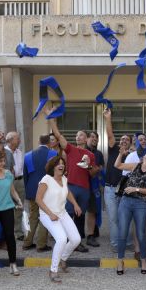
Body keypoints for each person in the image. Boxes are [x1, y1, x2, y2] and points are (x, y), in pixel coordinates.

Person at [47, 108, 99, 253]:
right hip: (70, 187)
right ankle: (65, 241)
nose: (78, 137)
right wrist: (51, 118)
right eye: (76, 135)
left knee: (80, 215)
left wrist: (88, 165)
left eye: (81, 135)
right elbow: (58, 134)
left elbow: (93, 173)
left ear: (87, 138)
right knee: (68, 214)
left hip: (84, 188)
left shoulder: (90, 154)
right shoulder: (70, 149)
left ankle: (78, 242)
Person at [114, 147, 146, 275]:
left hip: (141, 203)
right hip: (126, 202)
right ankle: (120, 261)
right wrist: (120, 154)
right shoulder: (135, 166)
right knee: (122, 232)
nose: (145, 155)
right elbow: (117, 165)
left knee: (141, 234)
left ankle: (143, 260)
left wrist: (136, 189)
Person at [36, 156, 82, 283]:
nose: (61, 165)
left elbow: (67, 193)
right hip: (47, 214)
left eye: (62, 163)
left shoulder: (64, 179)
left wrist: (75, 204)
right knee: (61, 239)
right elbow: (38, 199)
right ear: (52, 166)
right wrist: (50, 214)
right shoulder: (46, 179)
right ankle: (53, 270)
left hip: (62, 213)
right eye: (58, 164)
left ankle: (63, 258)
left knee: (76, 239)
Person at [102, 108, 133, 252]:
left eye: (127, 140)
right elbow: (110, 135)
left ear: (131, 144)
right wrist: (108, 118)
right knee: (114, 218)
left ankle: (126, 242)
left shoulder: (133, 156)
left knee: (125, 218)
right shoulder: (114, 149)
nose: (124, 141)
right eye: (122, 139)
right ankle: (116, 244)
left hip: (125, 191)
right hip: (110, 189)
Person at [23, 134, 55, 252]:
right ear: (49, 143)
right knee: (45, 216)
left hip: (32, 190)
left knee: (33, 216)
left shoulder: (27, 156)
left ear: (38, 141)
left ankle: (27, 242)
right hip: (47, 190)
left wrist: (28, 191)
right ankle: (41, 245)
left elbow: (25, 176)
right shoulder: (53, 154)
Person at [85, 131, 105, 247]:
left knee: (93, 209)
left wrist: (94, 170)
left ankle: (91, 234)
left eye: (96, 138)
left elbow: (101, 167)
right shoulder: (82, 151)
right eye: (92, 137)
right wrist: (94, 169)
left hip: (94, 185)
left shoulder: (99, 154)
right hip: (81, 184)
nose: (94, 139)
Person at [5, 131, 25, 241]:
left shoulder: (20, 152)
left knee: (19, 207)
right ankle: (7, 232)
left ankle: (18, 232)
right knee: (7, 208)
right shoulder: (3, 152)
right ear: (11, 140)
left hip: (19, 181)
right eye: (17, 139)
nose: (20, 141)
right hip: (7, 183)